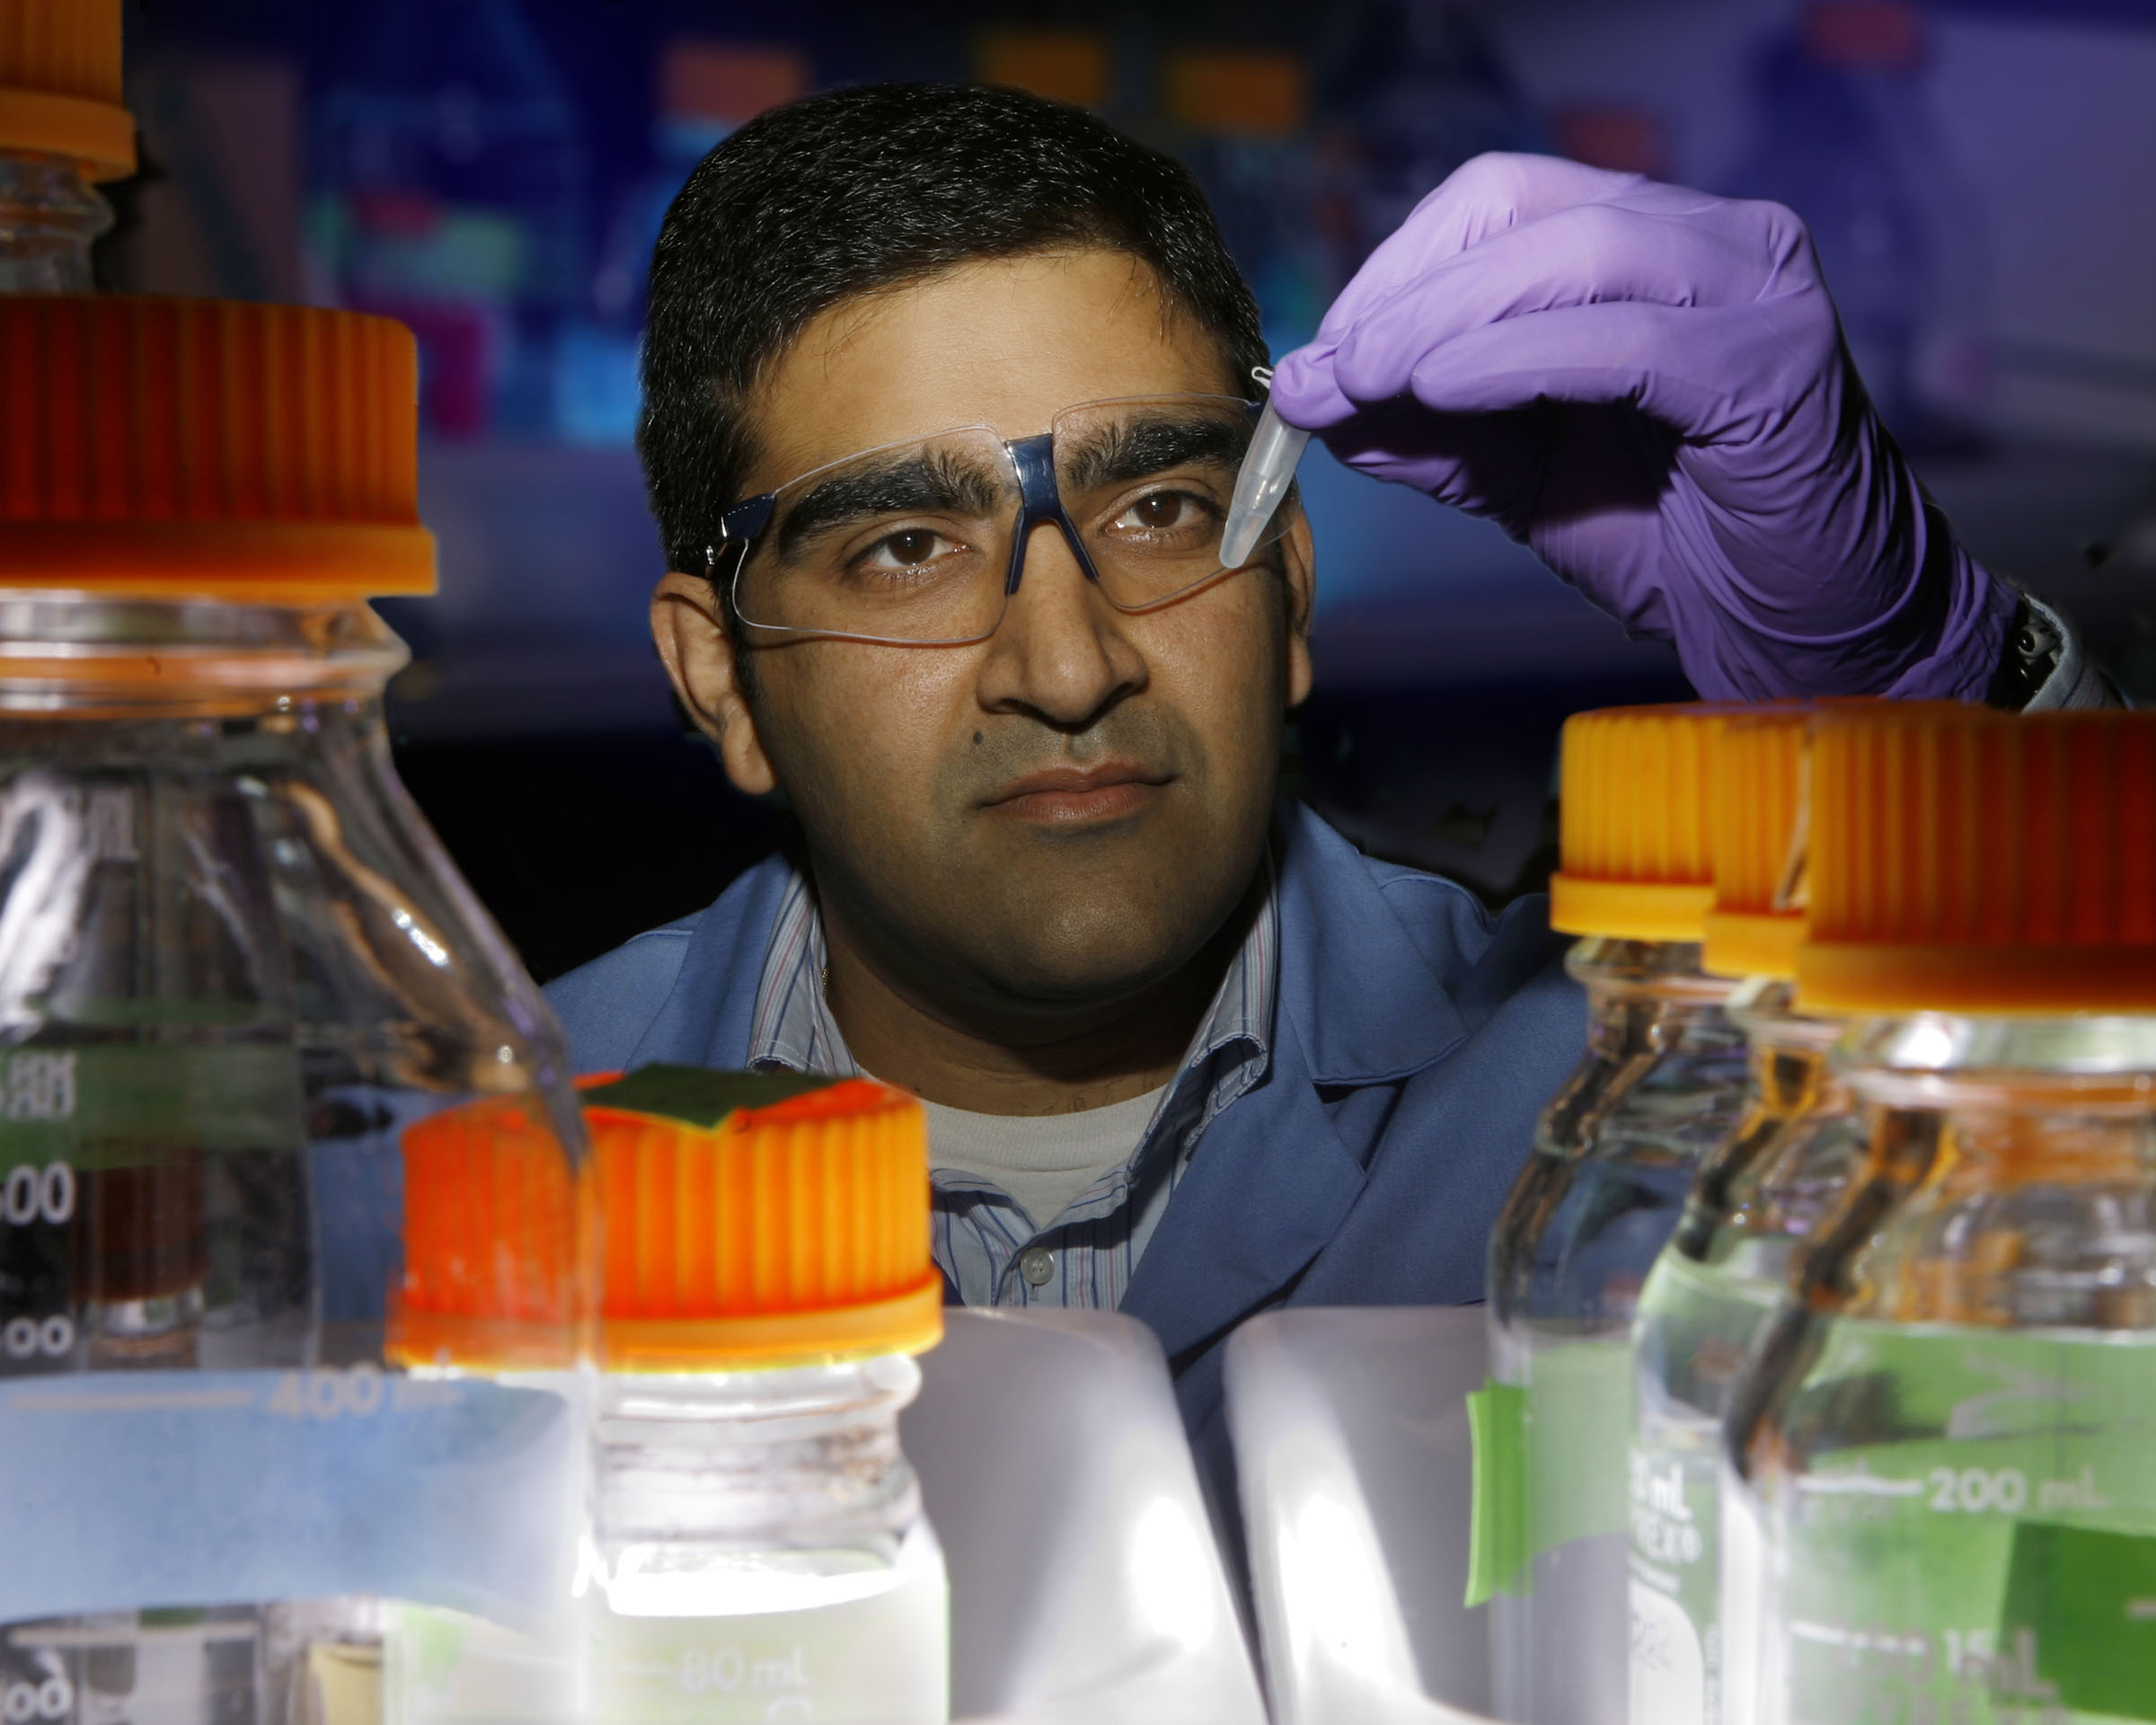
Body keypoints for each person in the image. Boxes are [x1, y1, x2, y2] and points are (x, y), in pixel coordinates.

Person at [546, 83, 2104, 1509]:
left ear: (1286, 584)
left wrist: (1940, 688)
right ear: (722, 680)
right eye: (904, 547)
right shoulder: (462, 1163)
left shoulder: (1663, 1114)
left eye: (1157, 509)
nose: (1070, 664)